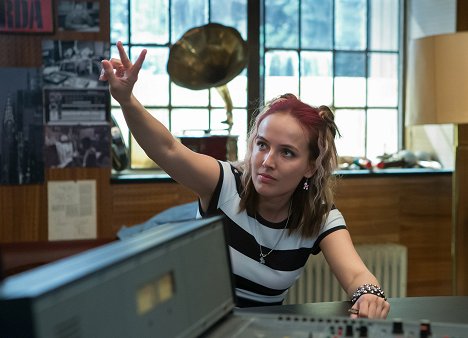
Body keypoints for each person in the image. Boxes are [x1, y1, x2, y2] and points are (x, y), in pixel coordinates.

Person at [99, 41, 390, 319]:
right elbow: (169, 149)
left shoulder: (319, 215)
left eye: (287, 153)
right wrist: (126, 100)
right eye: (262, 145)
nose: (267, 161)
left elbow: (356, 275)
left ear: (310, 167)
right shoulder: (224, 183)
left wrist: (368, 295)